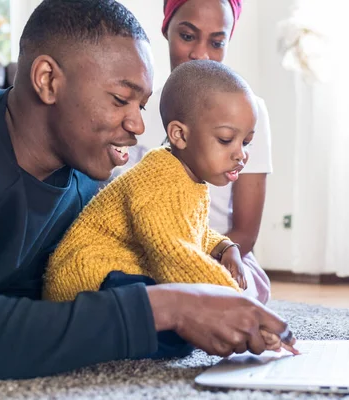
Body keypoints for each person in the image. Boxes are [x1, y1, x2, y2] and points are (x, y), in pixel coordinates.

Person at [0, 0, 296, 385]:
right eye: (121, 99)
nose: (138, 125)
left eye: (141, 104)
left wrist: (217, 260)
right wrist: (171, 306)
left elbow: (41, 310)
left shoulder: (86, 185)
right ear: (47, 80)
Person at [43, 60, 256, 302]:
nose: (241, 154)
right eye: (226, 139)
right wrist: (235, 301)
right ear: (180, 135)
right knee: (175, 313)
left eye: (246, 142)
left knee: (181, 314)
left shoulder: (187, 177)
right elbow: (175, 256)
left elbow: (190, 231)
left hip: (117, 273)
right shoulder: (159, 180)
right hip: (88, 277)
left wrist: (225, 247)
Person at [112, 0, 272, 304]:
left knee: (233, 291)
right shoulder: (137, 110)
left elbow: (246, 233)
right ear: (167, 30)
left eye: (216, 42)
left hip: (216, 253)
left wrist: (199, 261)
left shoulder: (250, 112)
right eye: (187, 36)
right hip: (146, 248)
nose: (201, 54)